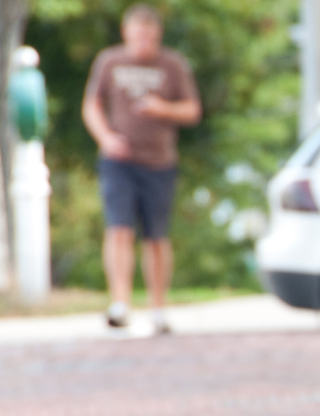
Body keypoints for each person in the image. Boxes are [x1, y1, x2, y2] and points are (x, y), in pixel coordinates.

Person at [82, 3, 201, 333]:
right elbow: (91, 105)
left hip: (159, 163)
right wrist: (106, 138)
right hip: (118, 161)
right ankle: (120, 304)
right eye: (138, 37)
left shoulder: (172, 64)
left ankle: (158, 309)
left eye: (149, 38)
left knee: (156, 238)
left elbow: (192, 110)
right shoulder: (109, 61)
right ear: (126, 33)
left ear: (158, 35)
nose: (143, 43)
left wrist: (163, 108)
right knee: (119, 230)